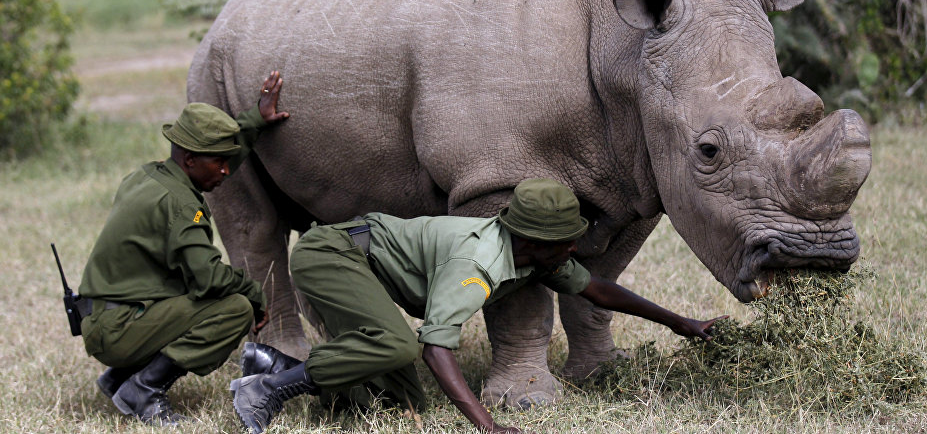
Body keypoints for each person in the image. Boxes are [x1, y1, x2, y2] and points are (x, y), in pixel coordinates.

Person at [231, 178, 726, 433]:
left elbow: (596, 288)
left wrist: (681, 322)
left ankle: (273, 364)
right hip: (334, 254)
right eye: (564, 241)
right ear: (534, 240)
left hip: (367, 263)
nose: (572, 249)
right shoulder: (480, 263)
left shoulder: (536, 257)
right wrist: (485, 425)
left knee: (401, 408)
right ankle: (267, 390)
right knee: (398, 347)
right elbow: (434, 348)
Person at [78, 71, 290, 426]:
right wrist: (254, 293)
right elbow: (208, 278)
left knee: (187, 290)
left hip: (105, 318)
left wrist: (254, 120)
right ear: (190, 159)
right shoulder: (180, 206)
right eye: (218, 162)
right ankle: (143, 388)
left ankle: (117, 378)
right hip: (119, 328)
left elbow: (214, 161)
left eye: (227, 160)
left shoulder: (149, 176)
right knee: (235, 308)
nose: (225, 171)